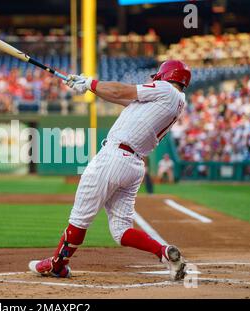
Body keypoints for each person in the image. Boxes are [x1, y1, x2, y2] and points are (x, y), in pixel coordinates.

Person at [29, 60, 191, 281]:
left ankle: (57, 265)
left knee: (79, 219)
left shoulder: (165, 90)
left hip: (113, 158)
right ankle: (164, 253)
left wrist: (89, 82)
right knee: (121, 231)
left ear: (166, 76)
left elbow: (120, 89)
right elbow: (120, 97)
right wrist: (88, 87)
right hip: (133, 165)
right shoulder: (176, 100)